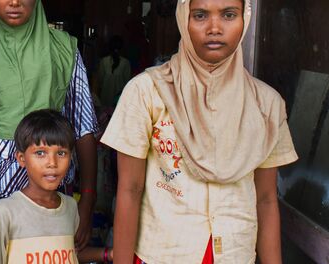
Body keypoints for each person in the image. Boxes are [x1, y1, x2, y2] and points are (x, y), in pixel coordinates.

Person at [100, 0, 298, 263]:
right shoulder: (147, 92)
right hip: (162, 254)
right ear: (184, 19)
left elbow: (265, 200)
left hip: (234, 253)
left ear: (245, 20)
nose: (214, 28)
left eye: (229, 15)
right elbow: (130, 189)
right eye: (201, 15)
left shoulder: (266, 105)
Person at [0, 0, 98, 250]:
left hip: (51, 190)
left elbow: (83, 127)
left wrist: (88, 199)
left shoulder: (63, 49)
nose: (14, 2)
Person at [0, 109, 113, 264]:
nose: (52, 163)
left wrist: (108, 254)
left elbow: (70, 254)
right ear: (21, 158)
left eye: (61, 153)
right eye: (40, 153)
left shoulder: (71, 207)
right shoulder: (6, 212)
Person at [97, 35, 132, 108]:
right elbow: (128, 83)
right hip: (119, 99)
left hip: (105, 97)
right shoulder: (126, 62)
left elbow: (100, 80)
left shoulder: (103, 61)